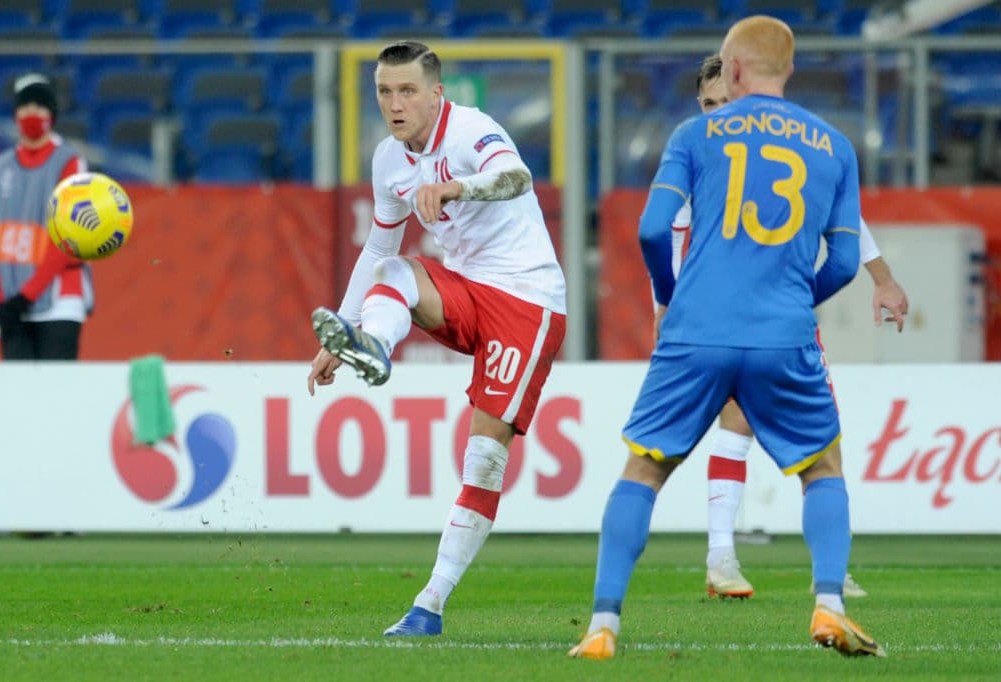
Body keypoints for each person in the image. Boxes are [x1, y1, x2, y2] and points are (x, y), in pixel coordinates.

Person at [569, 16, 885, 660]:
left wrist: (675, 295)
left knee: (644, 469)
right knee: (822, 468)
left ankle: (603, 624)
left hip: (697, 331)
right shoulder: (835, 147)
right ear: (787, 70)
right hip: (783, 335)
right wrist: (797, 300)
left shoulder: (695, 134)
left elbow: (656, 231)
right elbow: (848, 263)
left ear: (732, 70)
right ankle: (829, 604)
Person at [306, 41, 566, 637]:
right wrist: (341, 333)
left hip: (528, 300)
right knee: (391, 269)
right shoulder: (389, 161)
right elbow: (378, 245)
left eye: (407, 91)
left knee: (484, 460)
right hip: (467, 291)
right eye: (384, 92)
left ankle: (429, 604)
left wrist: (458, 189)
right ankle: (371, 344)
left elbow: (515, 176)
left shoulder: (472, 130)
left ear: (436, 93)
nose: (395, 105)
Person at [670, 54, 910, 600]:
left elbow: (843, 217)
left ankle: (796, 563)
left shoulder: (781, 153)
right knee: (744, 423)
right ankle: (728, 557)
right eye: (706, 105)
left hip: (778, 310)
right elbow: (674, 234)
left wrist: (884, 279)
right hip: (731, 313)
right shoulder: (693, 156)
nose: (715, 113)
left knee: (800, 436)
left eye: (723, 102)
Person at [0, 73, 91, 360]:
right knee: (20, 397)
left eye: (40, 106)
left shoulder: (69, 162)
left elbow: (68, 237)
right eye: (25, 106)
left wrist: (28, 295)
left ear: (52, 114)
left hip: (58, 301)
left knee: (56, 393)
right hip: (10, 304)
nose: (32, 113)